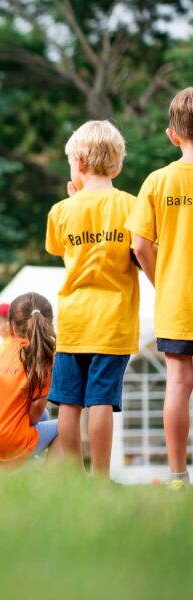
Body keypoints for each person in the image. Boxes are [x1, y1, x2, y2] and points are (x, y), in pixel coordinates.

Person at [45, 120, 139, 478]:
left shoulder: (60, 210)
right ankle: (101, 478)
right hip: (113, 321)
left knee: (69, 402)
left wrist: (75, 202)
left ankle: (73, 478)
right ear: (117, 165)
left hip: (73, 320)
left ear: (79, 164)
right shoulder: (132, 207)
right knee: (101, 400)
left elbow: (58, 247)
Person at [126, 87, 193, 489]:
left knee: (178, 382)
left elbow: (138, 244)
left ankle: (177, 475)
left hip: (177, 301)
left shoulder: (157, 181)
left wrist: (159, 280)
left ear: (172, 135)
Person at [0, 293, 58, 469]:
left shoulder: (2, 354)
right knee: (67, 425)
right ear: (50, 325)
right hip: (4, 447)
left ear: (10, 329)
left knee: (45, 417)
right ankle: (53, 481)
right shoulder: (43, 358)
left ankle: (22, 471)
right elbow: (36, 411)